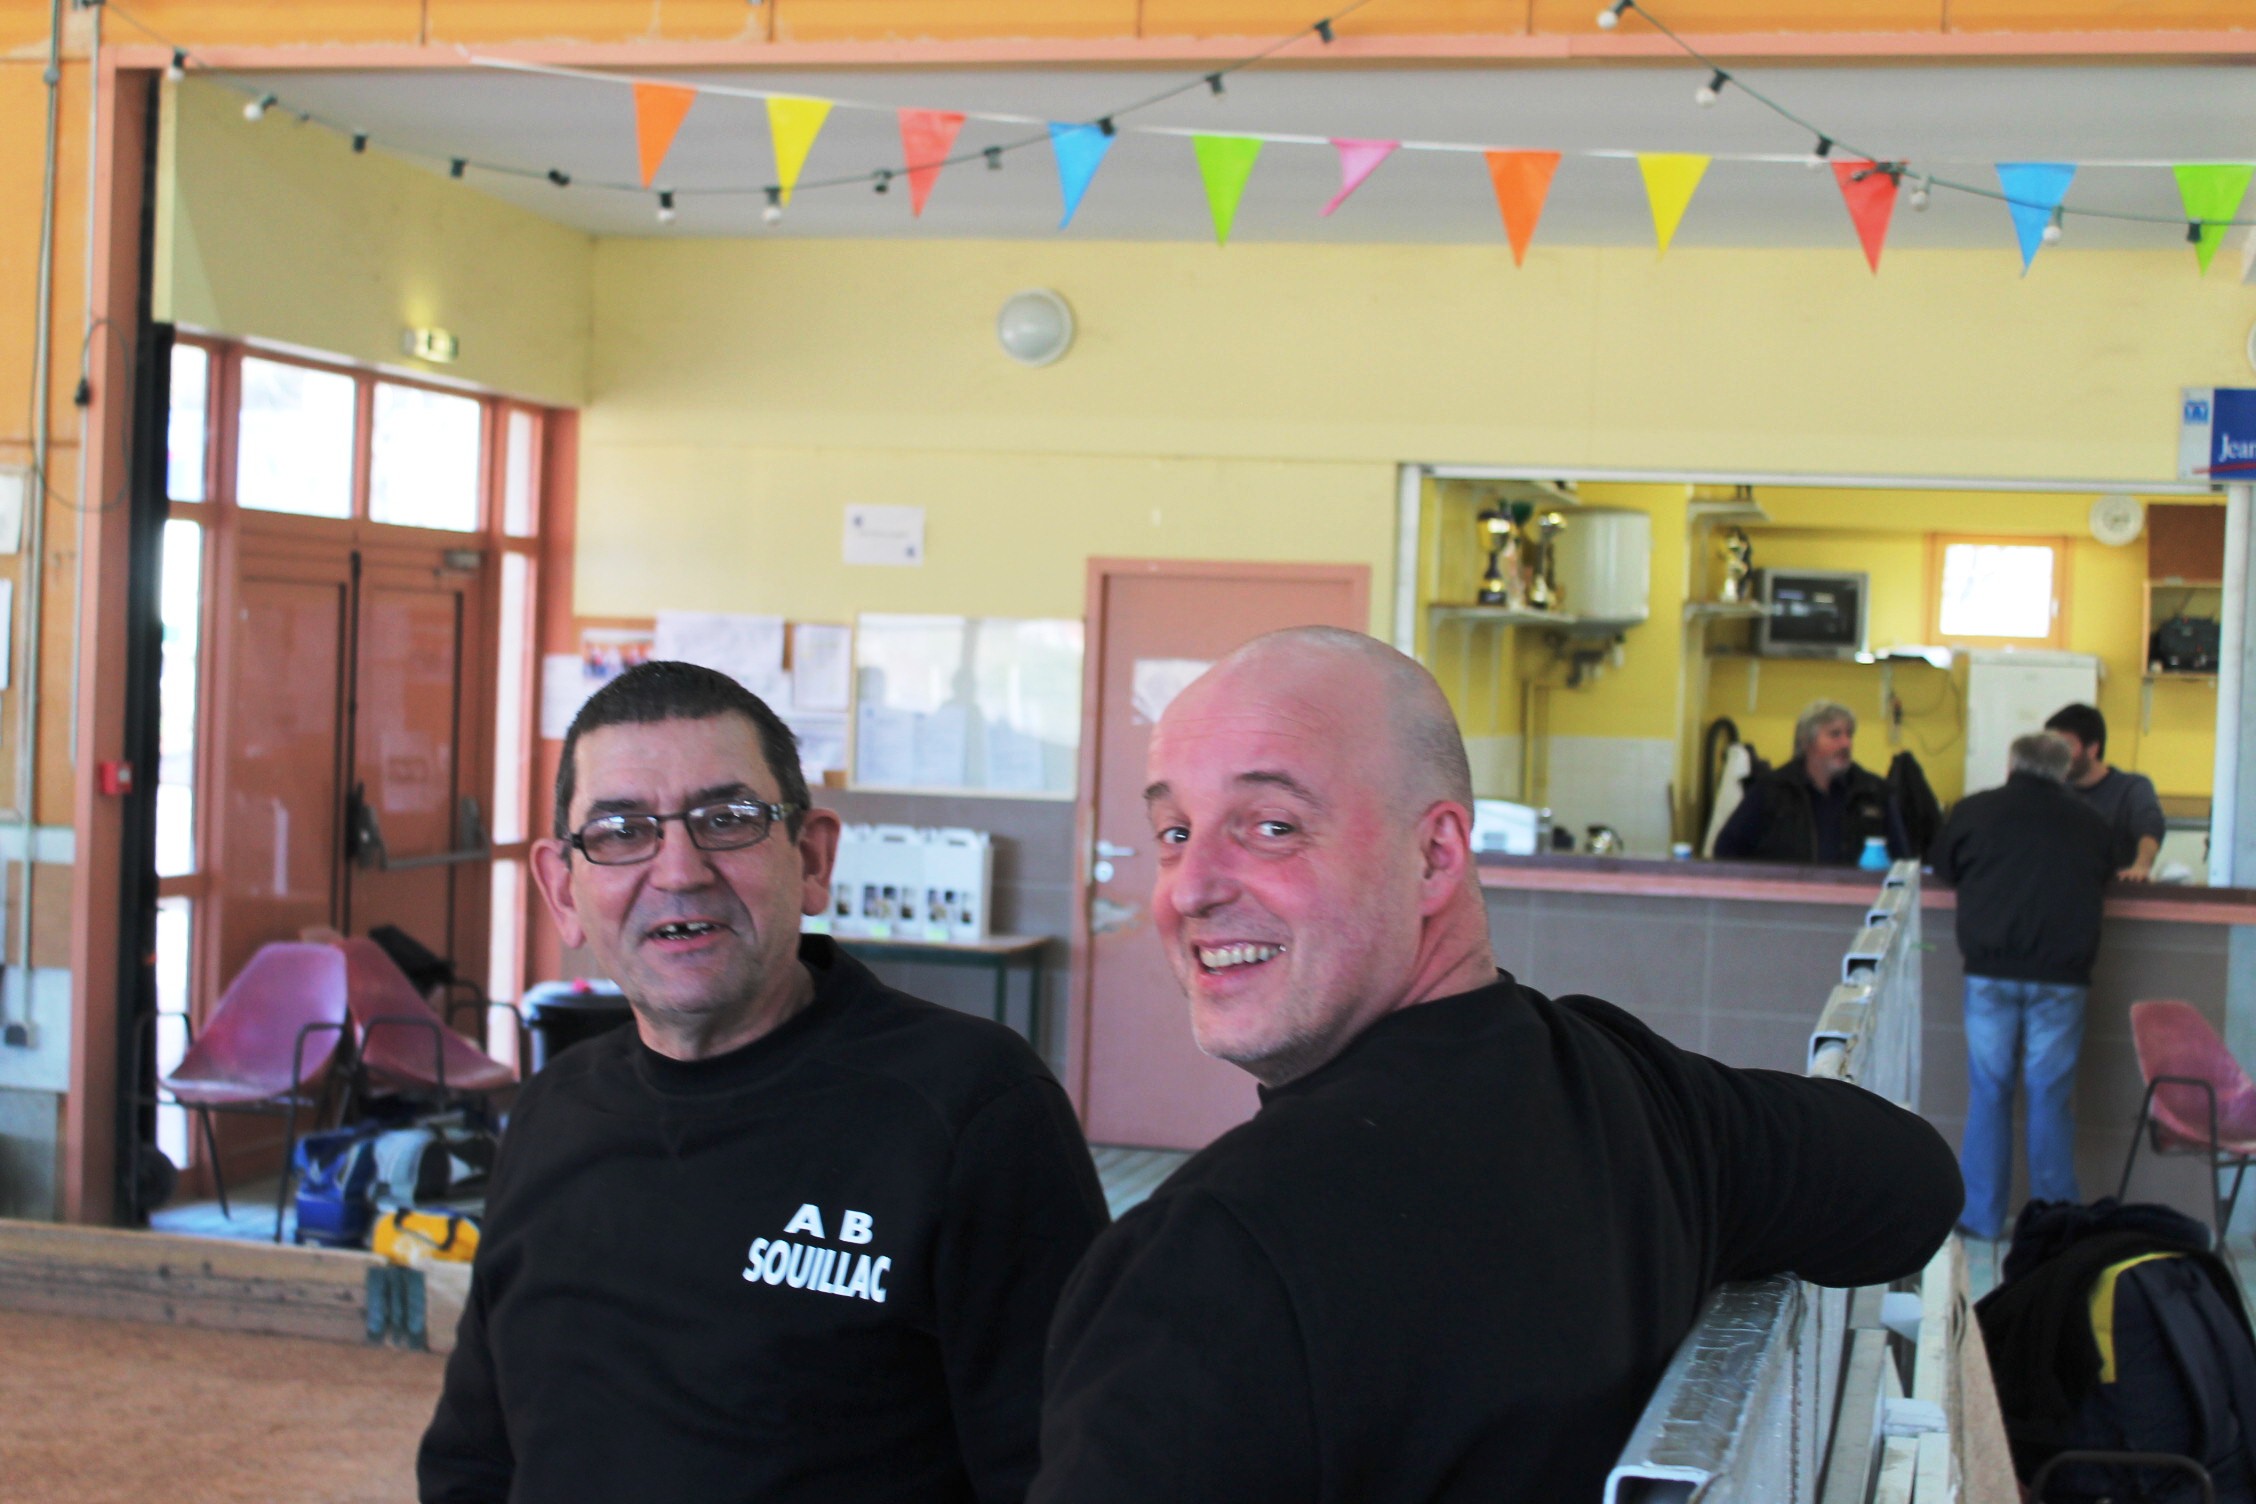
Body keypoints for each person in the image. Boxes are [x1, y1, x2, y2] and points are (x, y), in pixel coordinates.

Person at [1029, 628, 1962, 1504]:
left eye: (1272, 826)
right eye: (1175, 832)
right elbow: (1910, 1182)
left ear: (1436, 856)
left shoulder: (1207, 1270)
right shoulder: (1629, 1098)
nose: (1190, 889)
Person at [419, 662, 1107, 1504]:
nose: (679, 871)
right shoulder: (552, 1111)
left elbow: (1067, 1474)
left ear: (812, 859)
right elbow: (472, 1462)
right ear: (563, 889)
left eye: (728, 820)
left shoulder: (973, 1110)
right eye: (621, 831)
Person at [1928, 731, 2115, 1241]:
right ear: (2064, 770)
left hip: (1990, 970)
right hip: (2062, 977)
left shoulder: (1974, 811)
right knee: (2049, 1095)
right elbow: (2106, 873)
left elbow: (1942, 865)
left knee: (1990, 1091)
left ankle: (1981, 1216)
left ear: (2011, 765)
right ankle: (2055, 1216)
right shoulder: (2091, 822)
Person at [1712, 698, 1894, 864]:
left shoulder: (1873, 792)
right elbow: (1726, 850)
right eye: (1835, 734)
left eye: (1849, 735)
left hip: (1859, 890)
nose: (1846, 743)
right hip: (1785, 889)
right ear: (1807, 742)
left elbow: (1902, 861)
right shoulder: (1771, 790)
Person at [2043, 703, 2166, 881]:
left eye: (2066, 746)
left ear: (2092, 749)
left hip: (2114, 889)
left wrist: (2141, 866)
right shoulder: (2053, 790)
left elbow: (2150, 825)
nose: (2057, 755)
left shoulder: (2132, 787)